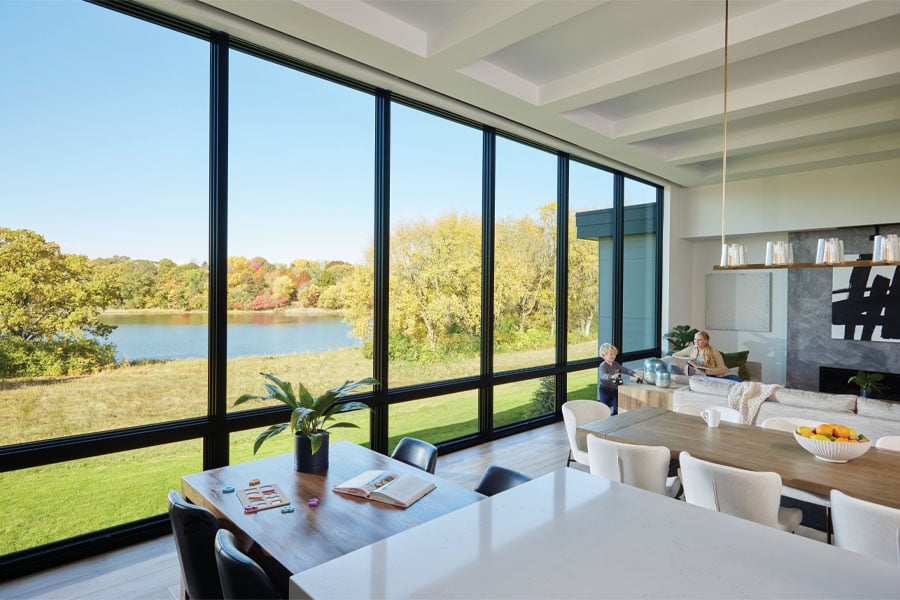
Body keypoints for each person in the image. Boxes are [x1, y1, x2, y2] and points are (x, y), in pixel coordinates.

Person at [672, 331, 741, 381]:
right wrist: (688, 359)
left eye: (699, 340)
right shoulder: (691, 349)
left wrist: (706, 371)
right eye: (695, 339)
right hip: (704, 375)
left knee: (740, 383)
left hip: (721, 375)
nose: (696, 341)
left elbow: (722, 368)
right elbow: (674, 355)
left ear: (706, 341)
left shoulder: (714, 351)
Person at [597, 343, 641, 415]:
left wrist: (635, 374)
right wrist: (611, 376)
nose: (613, 356)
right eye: (611, 354)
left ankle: (614, 419)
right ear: (604, 356)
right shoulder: (603, 366)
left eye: (614, 354)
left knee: (618, 407)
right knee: (604, 408)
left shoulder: (615, 364)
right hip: (605, 390)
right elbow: (603, 376)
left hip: (615, 389)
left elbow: (625, 370)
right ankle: (604, 421)